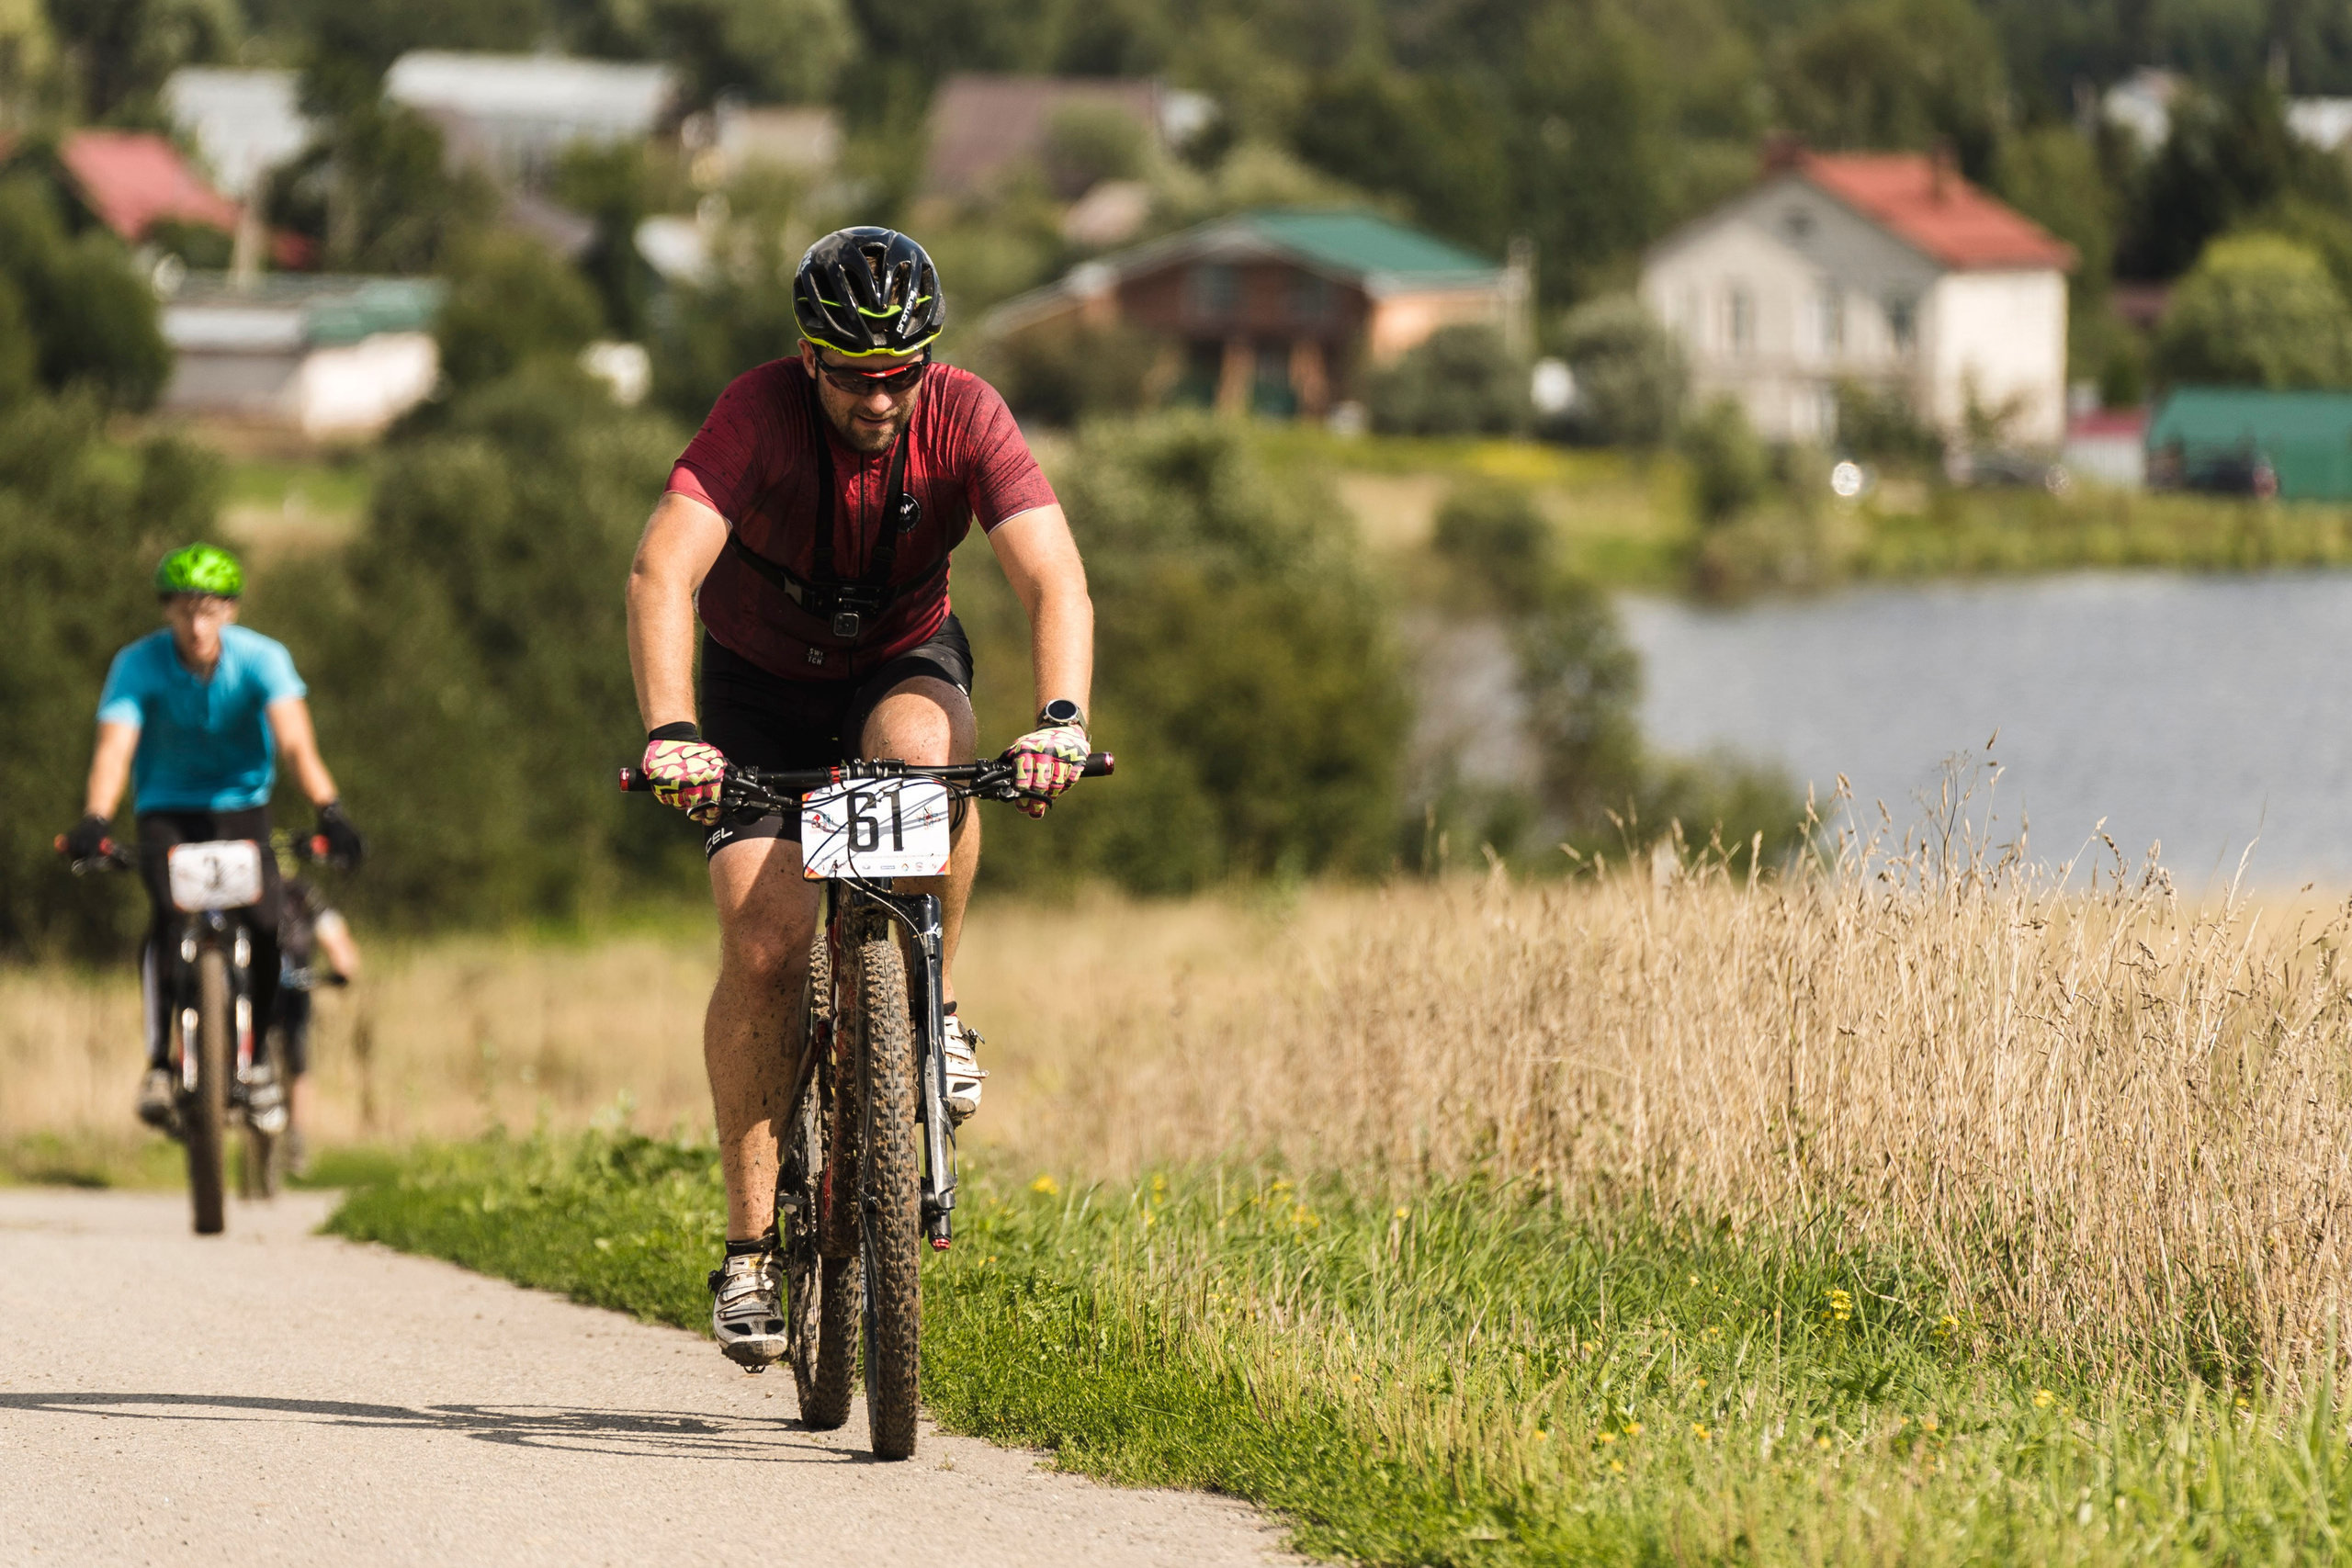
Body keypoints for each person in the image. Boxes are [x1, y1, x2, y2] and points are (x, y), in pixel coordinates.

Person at [626, 227, 1096, 1368]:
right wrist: (673, 734)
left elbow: (1051, 573)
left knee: (934, 758)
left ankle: (929, 1009)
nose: (881, 398)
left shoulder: (968, 413)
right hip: (755, 689)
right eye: (854, 373)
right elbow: (663, 570)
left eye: (903, 372)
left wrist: (1064, 721)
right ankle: (746, 1254)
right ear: (808, 357)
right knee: (766, 943)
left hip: (899, 659)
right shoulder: (754, 414)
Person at [63, 544, 365, 1130]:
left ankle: (258, 1063)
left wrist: (330, 809)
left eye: (208, 611)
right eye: (182, 611)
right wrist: (95, 818)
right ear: (166, 613)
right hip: (167, 808)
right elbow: (115, 748)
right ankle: (158, 1062)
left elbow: (297, 744)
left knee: (265, 920)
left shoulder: (263, 660)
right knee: (168, 920)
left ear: (230, 610)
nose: (196, 626)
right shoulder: (137, 664)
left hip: (242, 807)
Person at [273, 867, 362, 1176]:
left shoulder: (303, 894)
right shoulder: (245, 891)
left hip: (295, 985)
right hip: (254, 988)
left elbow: (333, 931)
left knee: (299, 1060)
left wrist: (343, 963)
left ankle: (296, 1135)